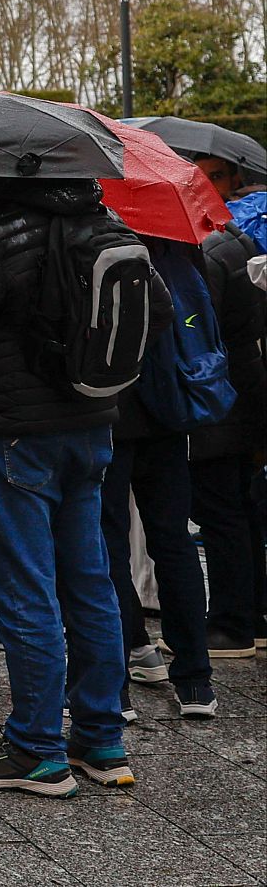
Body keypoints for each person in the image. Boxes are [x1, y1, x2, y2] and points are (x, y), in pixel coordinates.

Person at [0, 176, 170, 796]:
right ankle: (101, 737)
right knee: (91, 584)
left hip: (13, 432)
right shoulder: (108, 224)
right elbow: (158, 312)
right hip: (90, 427)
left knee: (24, 591)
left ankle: (35, 748)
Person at [100, 238, 218, 718]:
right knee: (173, 542)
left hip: (109, 412)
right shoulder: (177, 248)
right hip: (168, 411)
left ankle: (116, 681)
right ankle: (195, 681)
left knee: (107, 546)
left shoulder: (101, 243)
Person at [191, 167, 267, 658]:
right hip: (244, 390)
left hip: (219, 399)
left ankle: (230, 624)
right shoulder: (237, 242)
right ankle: (253, 615)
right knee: (241, 509)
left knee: (221, 513)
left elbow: (200, 325)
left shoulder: (211, 251)